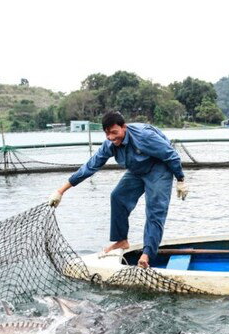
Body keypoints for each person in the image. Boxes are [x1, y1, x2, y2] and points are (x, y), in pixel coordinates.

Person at [48, 111, 188, 269]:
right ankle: (121, 240)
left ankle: (147, 254)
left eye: (114, 132)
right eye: (107, 133)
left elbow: (171, 155)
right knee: (117, 196)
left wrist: (180, 179)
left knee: (155, 210)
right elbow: (89, 167)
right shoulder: (109, 144)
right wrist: (60, 191)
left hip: (159, 169)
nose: (111, 137)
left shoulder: (144, 137)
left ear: (124, 128)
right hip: (136, 170)